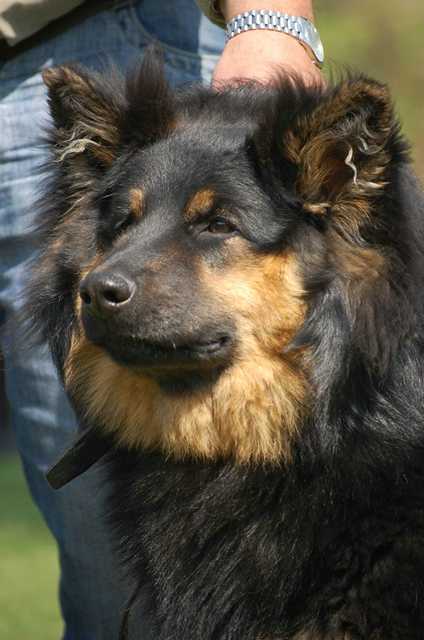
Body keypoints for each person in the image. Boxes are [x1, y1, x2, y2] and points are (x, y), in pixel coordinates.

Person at [0, 1, 321, 637]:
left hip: (99, 38)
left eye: (213, 226)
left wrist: (273, 18)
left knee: (123, 591)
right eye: (124, 227)